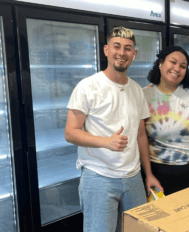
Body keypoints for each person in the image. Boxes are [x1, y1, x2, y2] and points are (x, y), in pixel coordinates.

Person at [65, 26, 162, 232]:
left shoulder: (137, 90)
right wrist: (106, 141)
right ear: (106, 50)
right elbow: (70, 132)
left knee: (136, 230)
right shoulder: (87, 86)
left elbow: (140, 134)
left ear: (134, 55)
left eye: (128, 48)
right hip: (98, 177)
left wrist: (149, 173)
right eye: (116, 46)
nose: (122, 52)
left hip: (133, 177)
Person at [142, 46, 189, 195]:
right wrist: (148, 174)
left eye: (183, 66)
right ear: (160, 63)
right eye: (173, 62)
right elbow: (140, 137)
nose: (177, 68)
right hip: (159, 171)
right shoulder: (144, 95)